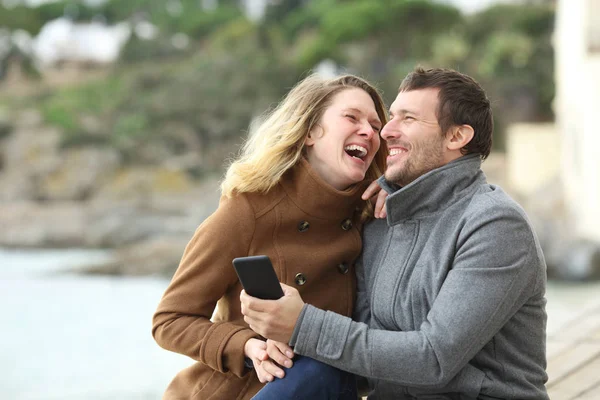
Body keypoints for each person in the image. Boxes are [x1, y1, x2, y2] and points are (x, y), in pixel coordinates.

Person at [241, 67, 549, 399]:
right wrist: (264, 343)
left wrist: (302, 325)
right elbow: (362, 354)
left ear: (457, 137)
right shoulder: (381, 221)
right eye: (391, 118)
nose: (385, 131)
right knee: (309, 373)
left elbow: (432, 359)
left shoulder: (496, 225)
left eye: (408, 119)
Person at [152, 73, 389, 399]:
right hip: (237, 393)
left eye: (376, 126)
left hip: (327, 388)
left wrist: (401, 195)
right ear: (309, 132)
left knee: (324, 367)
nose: (369, 131)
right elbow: (169, 320)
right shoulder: (249, 211)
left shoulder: (369, 217)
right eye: (352, 117)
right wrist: (246, 346)